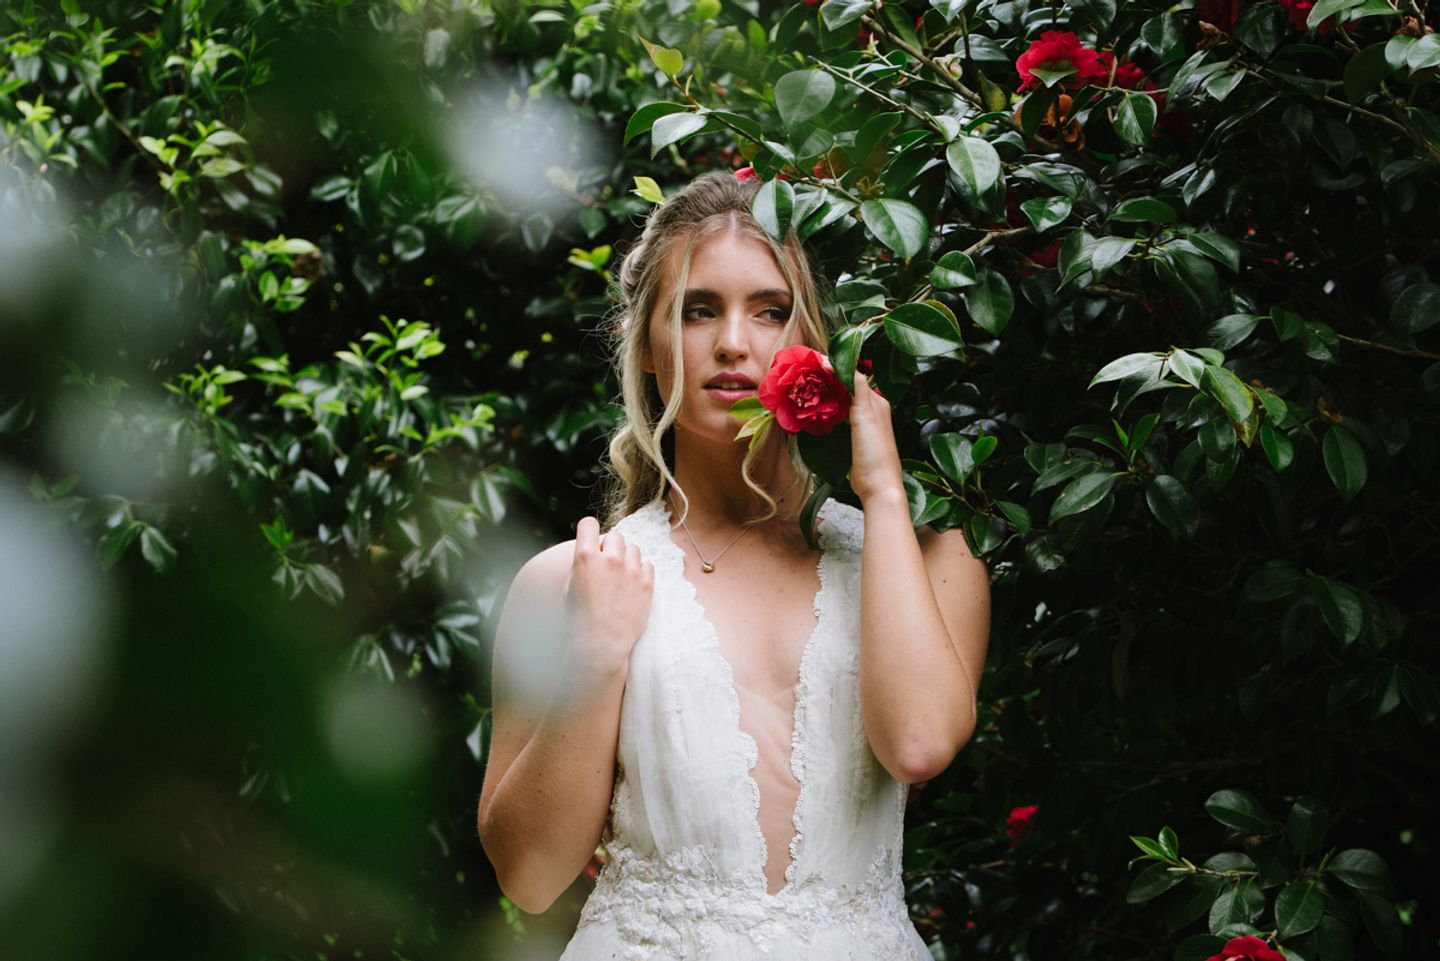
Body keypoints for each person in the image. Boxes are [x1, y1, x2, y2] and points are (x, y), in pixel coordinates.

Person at [477, 172, 990, 960]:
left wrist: (883, 491)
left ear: (815, 340)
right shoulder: (569, 581)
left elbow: (917, 745)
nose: (732, 343)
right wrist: (595, 653)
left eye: (771, 310)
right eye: (697, 309)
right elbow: (530, 875)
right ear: (645, 343)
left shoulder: (931, 557)